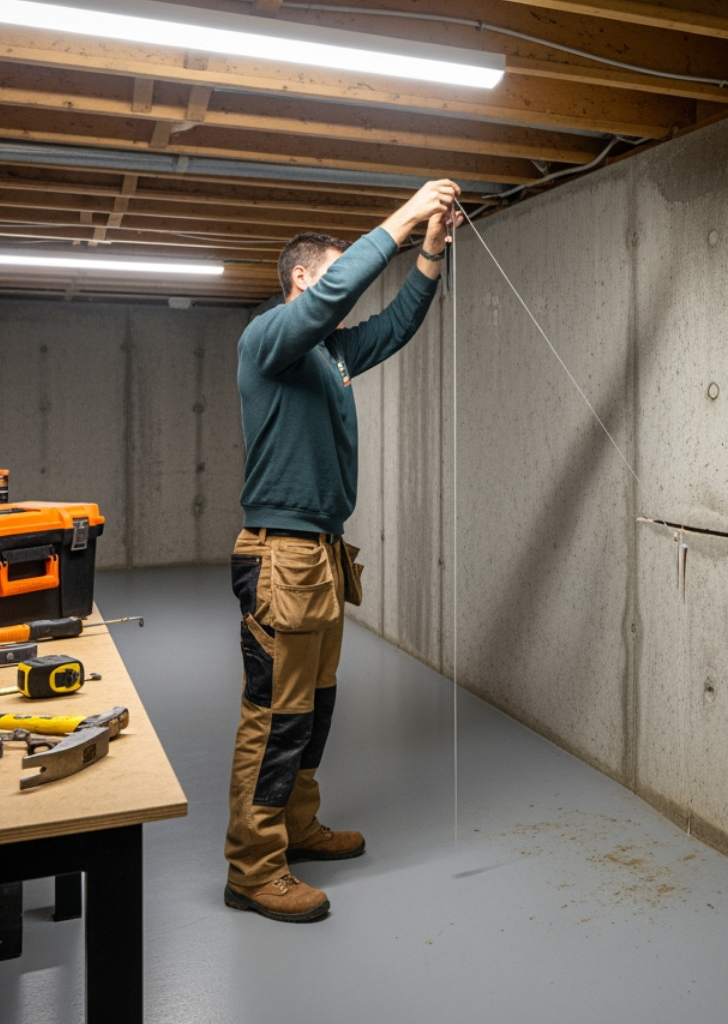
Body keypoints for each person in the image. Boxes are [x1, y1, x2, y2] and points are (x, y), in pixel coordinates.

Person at [224, 179, 463, 922]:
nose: (342, 290)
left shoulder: (328, 355)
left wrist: (428, 253)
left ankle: (298, 827)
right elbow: (334, 300)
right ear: (304, 278)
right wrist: (403, 218)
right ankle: (253, 868)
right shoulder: (270, 337)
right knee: (276, 713)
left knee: (314, 707)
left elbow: (391, 327)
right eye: (334, 271)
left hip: (320, 555)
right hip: (280, 556)